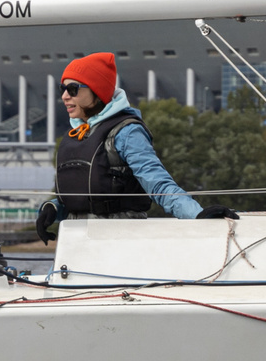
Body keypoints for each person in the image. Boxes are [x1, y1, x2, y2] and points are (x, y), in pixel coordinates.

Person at [33, 51, 236, 241]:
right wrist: (53, 207)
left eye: (73, 89)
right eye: (63, 89)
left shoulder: (126, 132)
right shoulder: (79, 132)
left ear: (97, 91)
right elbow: (86, 193)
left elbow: (158, 183)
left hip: (118, 239)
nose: (65, 96)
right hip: (75, 242)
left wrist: (197, 215)